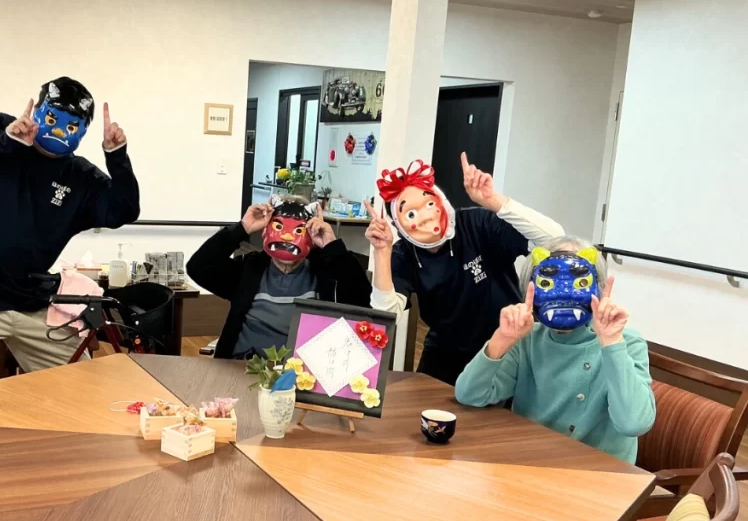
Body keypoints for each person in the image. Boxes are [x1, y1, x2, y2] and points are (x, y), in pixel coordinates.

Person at [0, 76, 139, 392]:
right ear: (38, 110)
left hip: (28, 300)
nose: (59, 130)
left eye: (72, 125)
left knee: (77, 388)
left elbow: (124, 209)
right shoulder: (5, 132)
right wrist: (6, 141)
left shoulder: (80, 177)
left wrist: (117, 155)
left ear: (83, 130)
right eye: (52, 118)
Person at [365, 153, 566, 384]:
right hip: (446, 350)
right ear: (398, 225)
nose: (426, 217)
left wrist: (494, 201)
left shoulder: (476, 223)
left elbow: (555, 239)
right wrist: (381, 252)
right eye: (410, 213)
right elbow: (385, 316)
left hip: (507, 340)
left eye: (430, 204)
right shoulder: (403, 254)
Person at [454, 238, 656, 464]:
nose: (564, 294)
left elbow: (634, 423)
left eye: (578, 282)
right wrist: (502, 338)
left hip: (599, 472)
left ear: (597, 288)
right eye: (549, 284)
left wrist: (611, 343)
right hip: (532, 462)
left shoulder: (626, 342)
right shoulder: (528, 339)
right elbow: (469, 394)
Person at [187, 195, 372, 359]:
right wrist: (242, 229)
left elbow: (361, 300)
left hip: (302, 375)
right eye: (278, 226)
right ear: (265, 231)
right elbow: (198, 268)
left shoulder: (325, 273)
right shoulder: (249, 269)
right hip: (242, 366)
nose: (287, 237)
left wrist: (332, 247)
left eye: (298, 230)